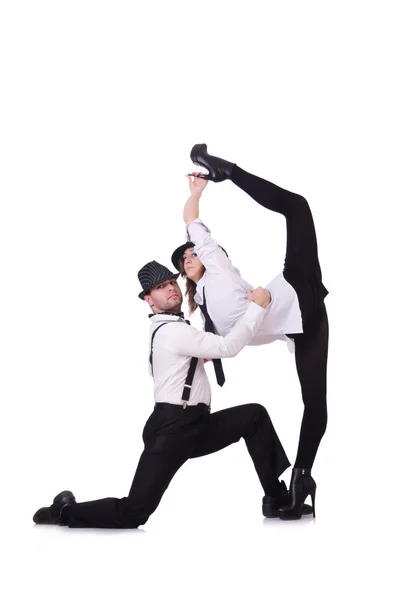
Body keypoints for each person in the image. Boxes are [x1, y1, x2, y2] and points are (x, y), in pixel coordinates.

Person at [32, 260, 300, 528]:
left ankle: (275, 498)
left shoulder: (174, 329)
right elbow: (228, 347)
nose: (171, 288)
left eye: (172, 282)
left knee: (254, 417)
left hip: (196, 425)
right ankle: (64, 512)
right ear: (149, 300)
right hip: (171, 429)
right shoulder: (172, 331)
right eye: (161, 287)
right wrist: (257, 308)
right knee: (133, 513)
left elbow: (195, 356)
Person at [171, 143, 329, 519]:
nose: (189, 257)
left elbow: (191, 221)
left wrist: (196, 193)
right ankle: (301, 479)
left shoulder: (217, 265)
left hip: (293, 289)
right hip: (299, 325)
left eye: (192, 252)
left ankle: (231, 171)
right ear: (182, 273)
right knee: (316, 405)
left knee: (297, 207)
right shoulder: (202, 310)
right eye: (183, 260)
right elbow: (223, 346)